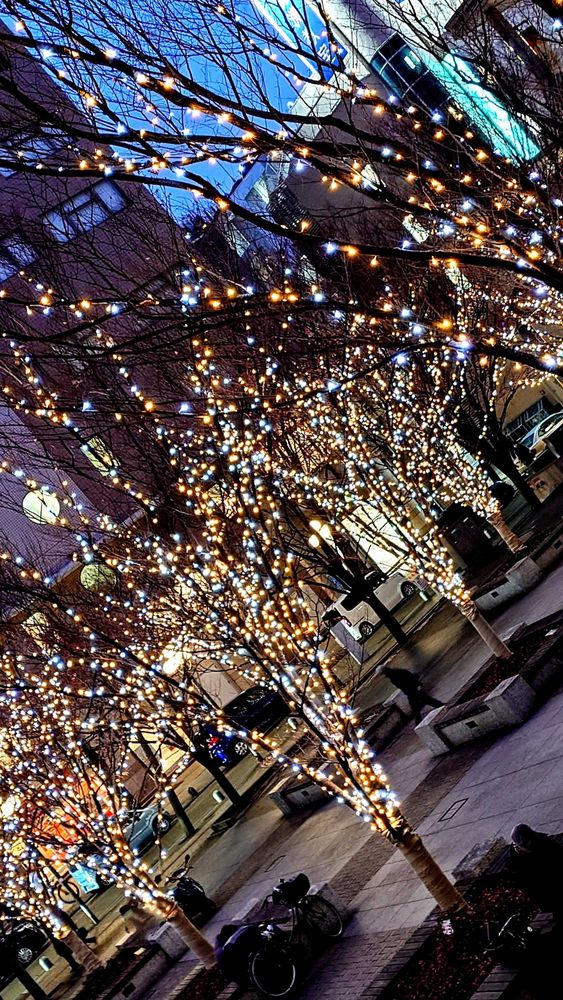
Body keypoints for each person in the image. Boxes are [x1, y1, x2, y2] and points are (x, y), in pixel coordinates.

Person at [506, 824, 563, 923]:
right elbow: (525, 884)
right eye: (526, 844)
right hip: (545, 895)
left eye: (530, 842)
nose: (530, 846)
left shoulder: (544, 843)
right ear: (518, 846)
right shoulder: (515, 863)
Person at [375, 663, 444, 723]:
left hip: (413, 690)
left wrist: (417, 685)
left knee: (418, 705)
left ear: (384, 672)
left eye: (382, 674)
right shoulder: (394, 674)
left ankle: (419, 721)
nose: (383, 676)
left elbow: (409, 677)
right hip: (411, 691)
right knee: (425, 700)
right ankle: (440, 705)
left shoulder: (395, 674)